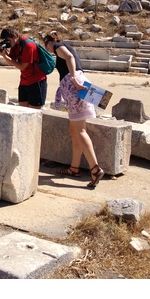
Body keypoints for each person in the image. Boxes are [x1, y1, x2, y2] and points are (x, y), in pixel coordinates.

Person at [44, 31, 104, 188]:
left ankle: (95, 169)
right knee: (74, 130)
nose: (47, 47)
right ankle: (74, 168)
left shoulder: (59, 46)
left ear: (52, 40)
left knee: (80, 130)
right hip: (78, 88)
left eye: (47, 44)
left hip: (74, 88)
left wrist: (73, 80)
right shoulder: (66, 47)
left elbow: (69, 58)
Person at [0, 26, 47, 109]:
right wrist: (4, 53)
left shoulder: (29, 46)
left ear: (15, 37)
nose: (7, 43)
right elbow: (11, 63)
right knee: (22, 110)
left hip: (36, 81)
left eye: (8, 40)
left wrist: (5, 56)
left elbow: (22, 67)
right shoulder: (15, 44)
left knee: (34, 111)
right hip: (24, 81)